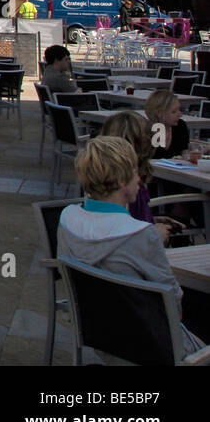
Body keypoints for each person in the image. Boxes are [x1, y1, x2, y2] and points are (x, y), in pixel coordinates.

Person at [56, 135, 202, 356]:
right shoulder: (141, 235)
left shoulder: (67, 220)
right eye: (135, 172)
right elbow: (173, 304)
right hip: (153, 345)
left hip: (101, 336)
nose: (139, 180)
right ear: (122, 181)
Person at [99, 110, 183, 243]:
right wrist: (155, 233)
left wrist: (153, 219)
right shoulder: (129, 187)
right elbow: (126, 237)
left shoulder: (100, 177)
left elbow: (127, 222)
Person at [146, 88, 190, 160]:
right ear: (159, 113)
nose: (180, 114)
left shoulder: (181, 126)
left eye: (179, 109)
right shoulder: (146, 131)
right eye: (174, 112)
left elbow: (184, 151)